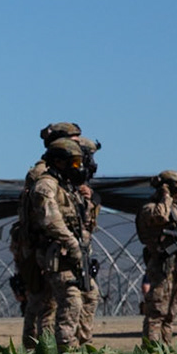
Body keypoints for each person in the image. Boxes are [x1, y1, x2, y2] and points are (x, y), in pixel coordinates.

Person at [20, 138, 93, 351]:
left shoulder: (67, 187)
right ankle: (63, 352)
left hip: (71, 253)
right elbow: (51, 220)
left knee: (88, 296)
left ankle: (81, 346)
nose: (78, 167)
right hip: (56, 254)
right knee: (68, 301)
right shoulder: (46, 186)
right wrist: (72, 245)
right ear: (60, 162)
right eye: (74, 162)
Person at [13, 121, 81, 347]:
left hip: (54, 249)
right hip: (49, 250)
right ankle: (54, 351)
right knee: (52, 303)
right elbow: (49, 219)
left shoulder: (63, 183)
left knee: (45, 304)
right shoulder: (44, 179)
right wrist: (72, 244)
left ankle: (43, 349)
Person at [135, 170, 177, 345]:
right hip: (160, 265)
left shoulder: (176, 210)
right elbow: (160, 216)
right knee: (156, 312)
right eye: (175, 190)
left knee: (171, 313)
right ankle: (152, 350)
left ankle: (166, 347)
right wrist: (165, 196)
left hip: (176, 265)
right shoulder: (151, 208)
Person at [75, 137, 103, 342]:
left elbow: (90, 223)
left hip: (82, 249)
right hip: (65, 250)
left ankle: (83, 345)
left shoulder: (85, 189)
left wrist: (90, 200)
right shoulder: (53, 182)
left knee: (90, 295)